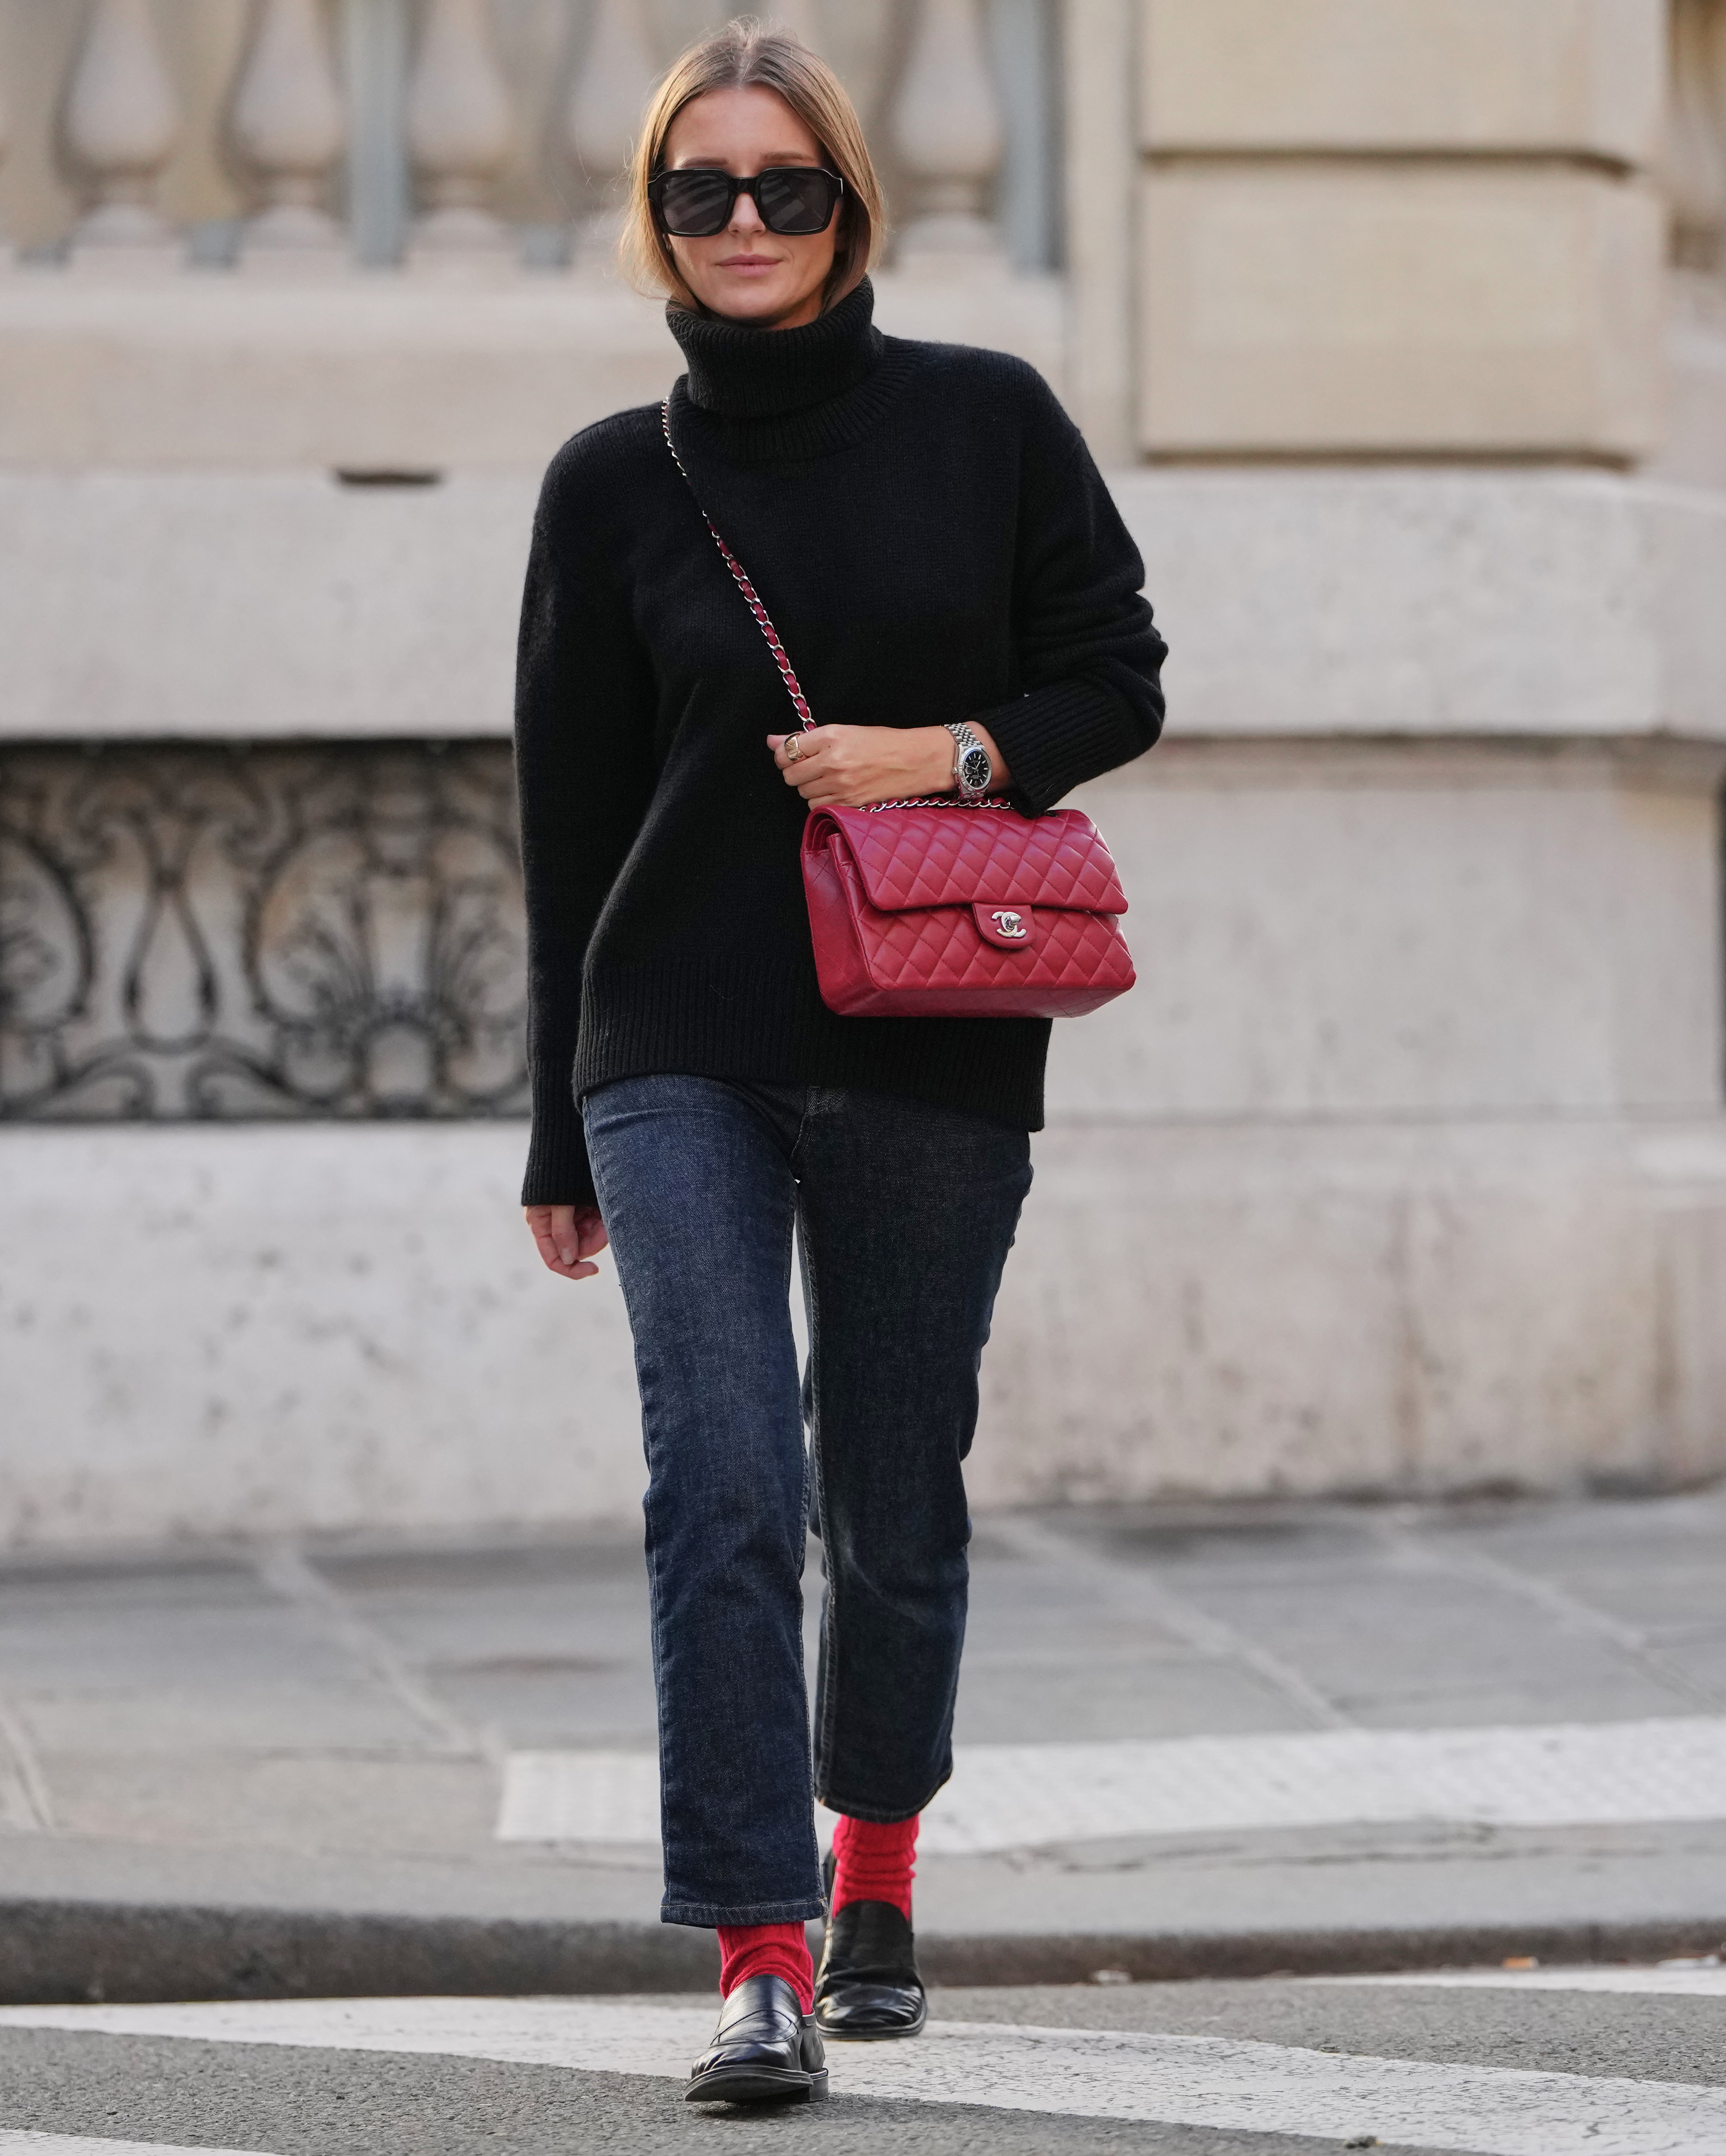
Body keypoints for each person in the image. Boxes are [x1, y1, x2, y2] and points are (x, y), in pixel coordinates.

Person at [510, 15, 1166, 2111]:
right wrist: (558, 1119)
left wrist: (944, 753)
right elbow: (567, 816)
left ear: (848, 205)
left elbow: (1118, 675)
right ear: (657, 219)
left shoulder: (986, 423)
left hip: (931, 1025)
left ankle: (878, 1861)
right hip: (676, 1033)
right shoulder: (614, 480)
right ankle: (762, 1948)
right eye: (700, 190)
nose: (742, 222)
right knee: (722, 1476)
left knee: (892, 1492)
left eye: (781, 186)